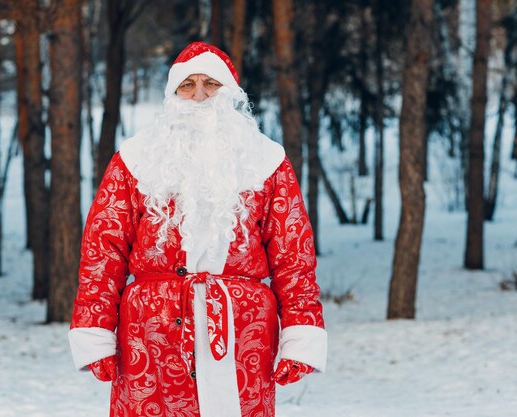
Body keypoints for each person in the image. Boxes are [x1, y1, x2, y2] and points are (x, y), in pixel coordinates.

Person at [68, 41, 327, 417]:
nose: (200, 95)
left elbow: (294, 257)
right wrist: (95, 332)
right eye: (188, 85)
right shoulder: (135, 160)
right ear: (172, 94)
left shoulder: (267, 161)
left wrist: (301, 336)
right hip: (150, 335)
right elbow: (102, 251)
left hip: (243, 335)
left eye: (211, 84)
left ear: (230, 93)